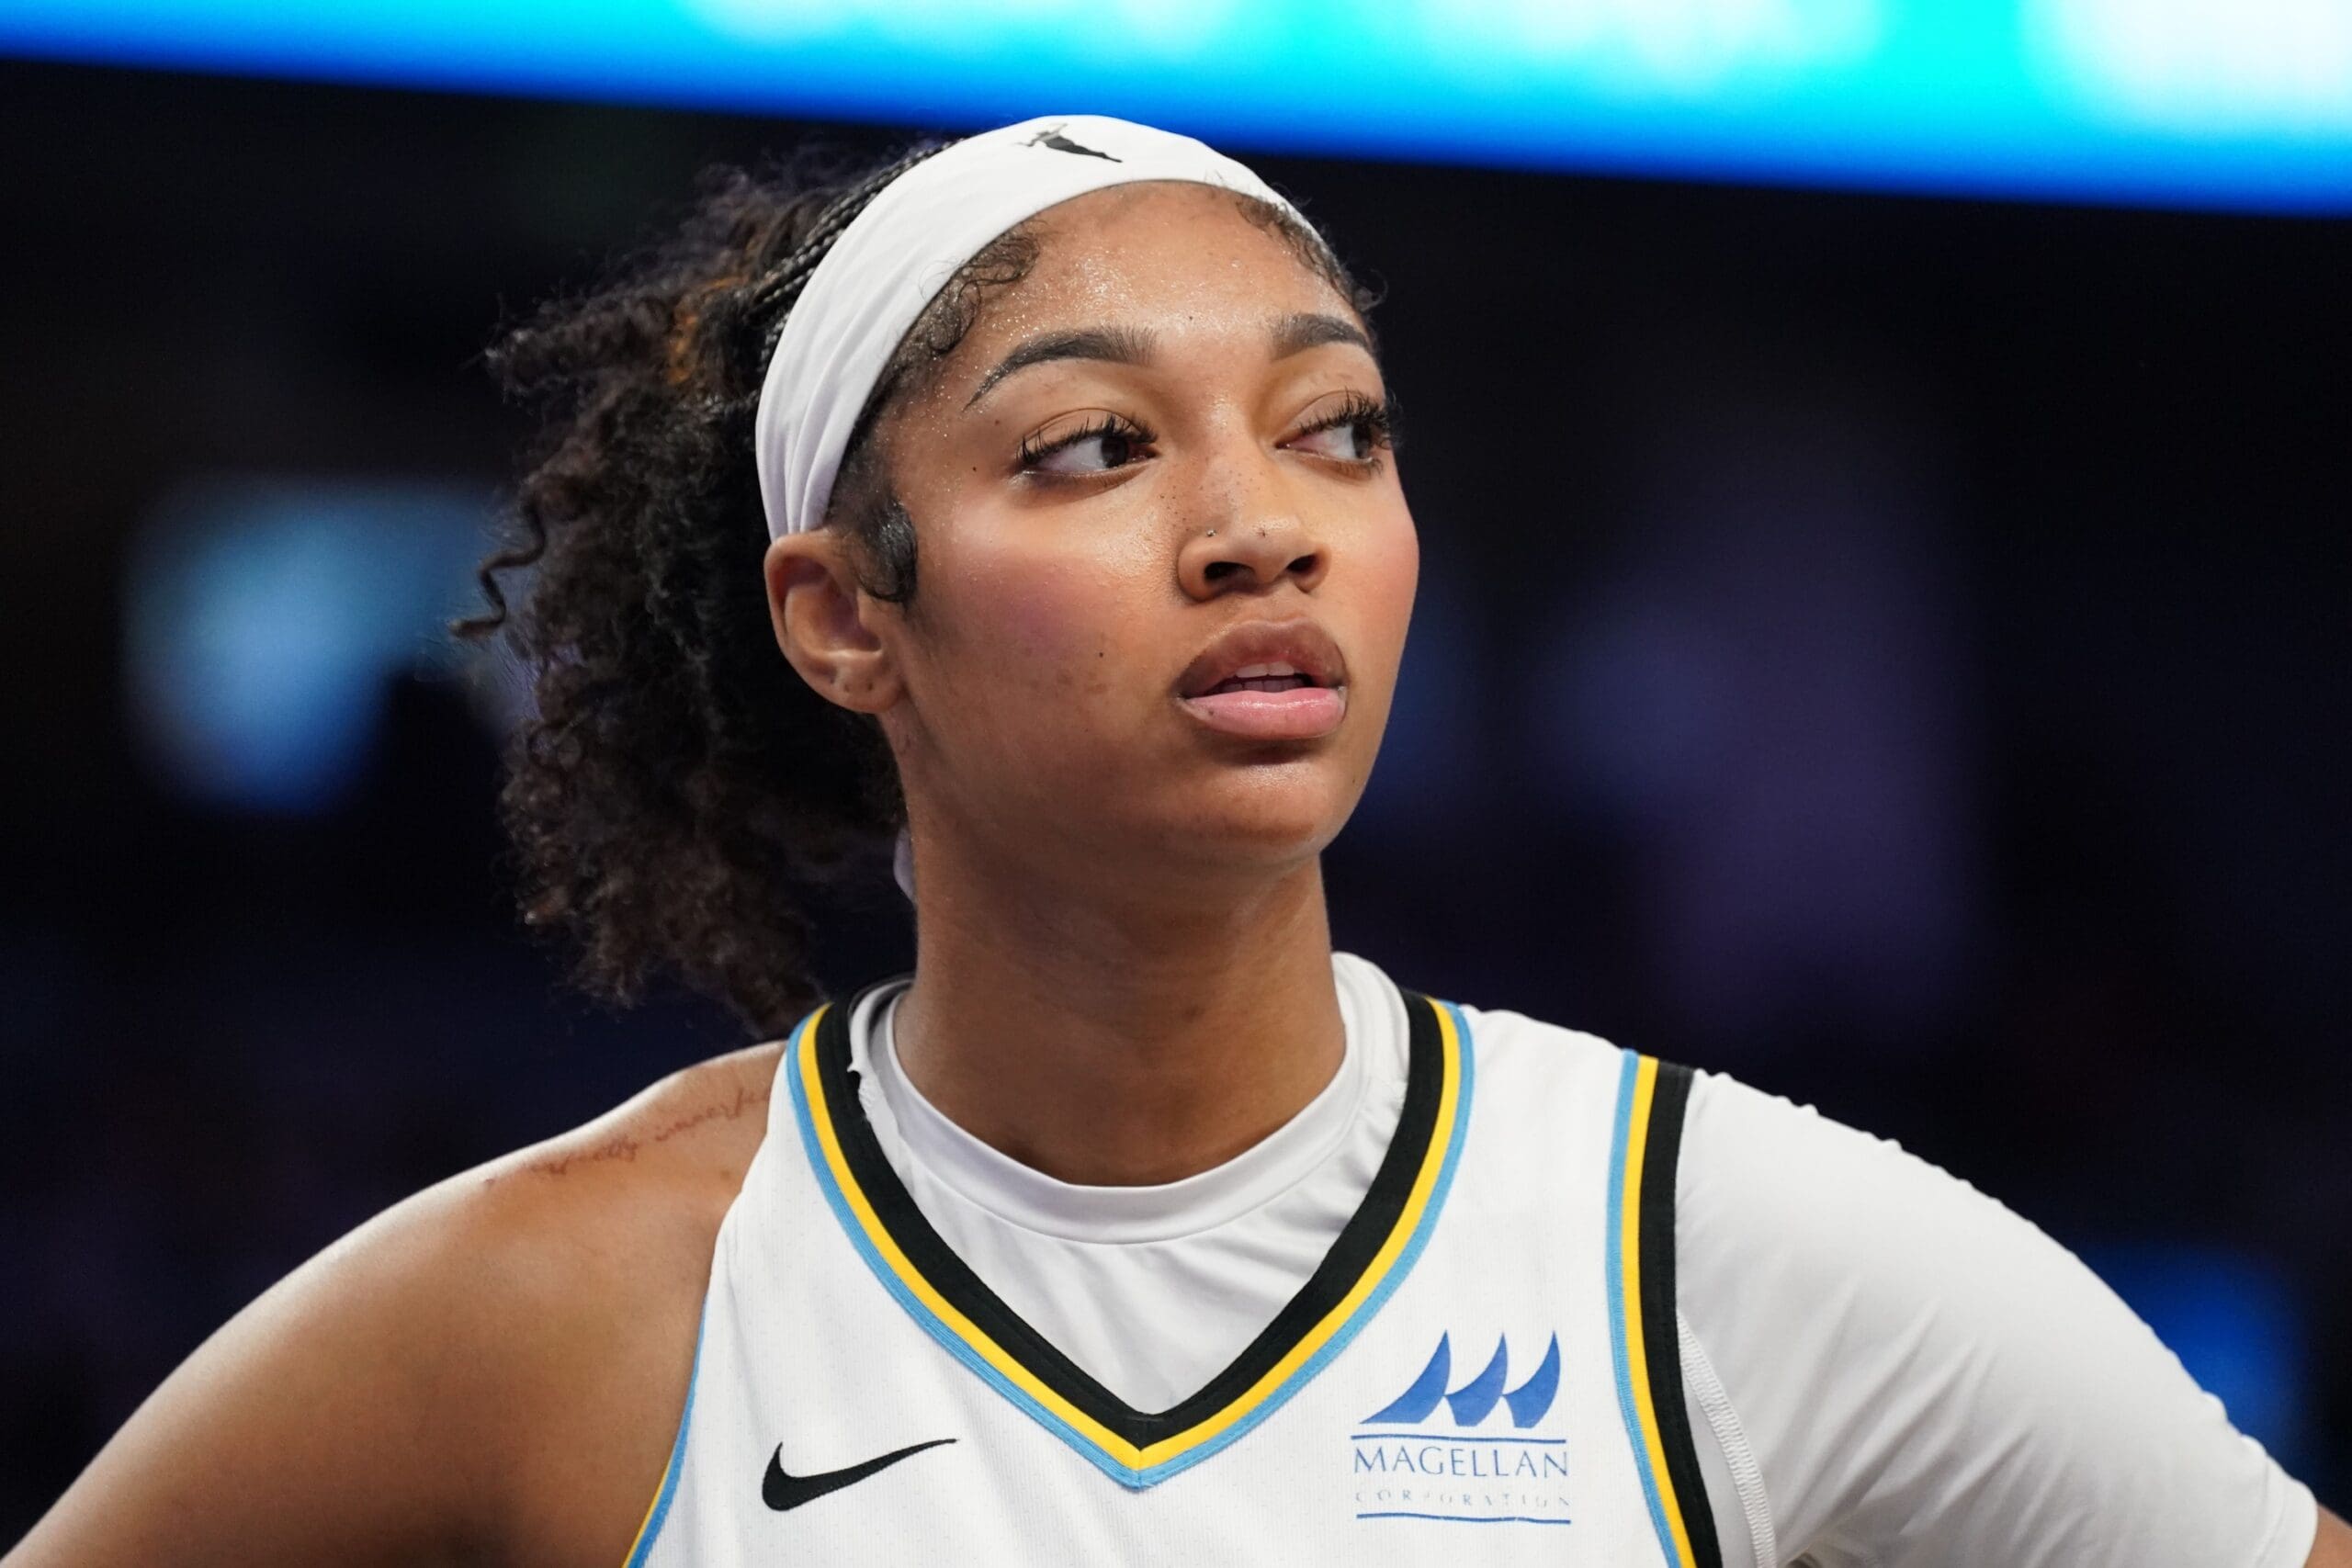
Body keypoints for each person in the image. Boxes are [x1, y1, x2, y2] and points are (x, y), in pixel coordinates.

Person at [7, 112, 2344, 1568]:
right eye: (1094, 450)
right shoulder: (587, 1294)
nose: (1258, 526)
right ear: (841, 614)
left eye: (1335, 429)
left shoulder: (1698, 1240)